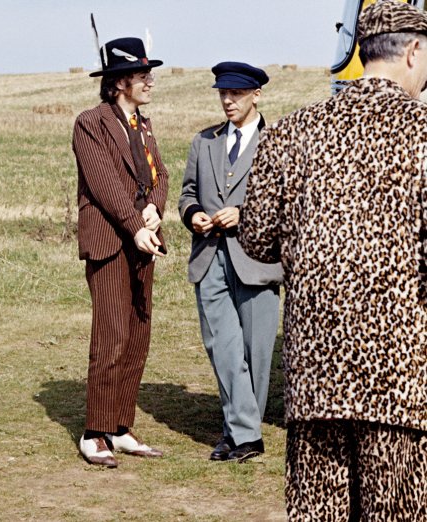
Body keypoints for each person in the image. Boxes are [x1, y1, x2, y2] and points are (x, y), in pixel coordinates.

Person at [238, 1, 426, 518]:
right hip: (401, 383)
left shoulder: (289, 133)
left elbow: (255, 239)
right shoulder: (424, 135)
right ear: (412, 52)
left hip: (315, 377)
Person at [72, 36, 169, 467]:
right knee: (111, 335)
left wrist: (155, 209)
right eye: (142, 74)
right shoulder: (90, 123)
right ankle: (95, 431)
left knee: (137, 336)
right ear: (118, 82)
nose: (150, 81)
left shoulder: (143, 124)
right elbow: (105, 185)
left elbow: (160, 175)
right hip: (111, 243)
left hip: (142, 239)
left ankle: (121, 425)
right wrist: (134, 226)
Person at [178, 62, 282, 462]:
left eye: (235, 94)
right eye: (222, 93)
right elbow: (188, 193)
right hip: (209, 258)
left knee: (256, 354)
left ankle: (240, 432)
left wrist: (246, 213)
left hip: (258, 263)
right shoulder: (203, 142)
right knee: (222, 346)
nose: (227, 100)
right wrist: (192, 215)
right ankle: (245, 434)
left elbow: (289, 204)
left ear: (256, 95)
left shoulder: (277, 144)